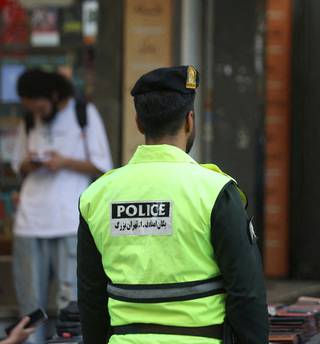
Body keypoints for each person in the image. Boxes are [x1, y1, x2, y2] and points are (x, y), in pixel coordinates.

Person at [77, 65, 268, 343]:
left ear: (139, 123)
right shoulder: (215, 191)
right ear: (190, 121)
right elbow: (247, 293)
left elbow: (91, 299)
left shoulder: (97, 195)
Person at [11, 69, 113, 344]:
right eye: (32, 109)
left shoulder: (83, 113)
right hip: (30, 223)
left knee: (72, 305)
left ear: (54, 97)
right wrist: (30, 164)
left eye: (41, 107)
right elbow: (16, 166)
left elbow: (103, 165)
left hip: (69, 220)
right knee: (30, 309)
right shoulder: (29, 121)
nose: (38, 113)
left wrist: (64, 162)